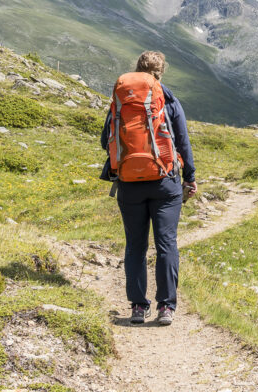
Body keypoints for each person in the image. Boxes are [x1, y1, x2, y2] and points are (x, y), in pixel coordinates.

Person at [100, 50, 197, 326]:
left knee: (135, 246)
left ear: (137, 68)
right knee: (166, 244)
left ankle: (138, 307)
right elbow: (183, 141)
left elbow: (105, 139)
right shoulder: (168, 100)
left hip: (129, 183)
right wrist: (189, 177)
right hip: (165, 182)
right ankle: (166, 307)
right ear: (161, 72)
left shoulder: (121, 100)